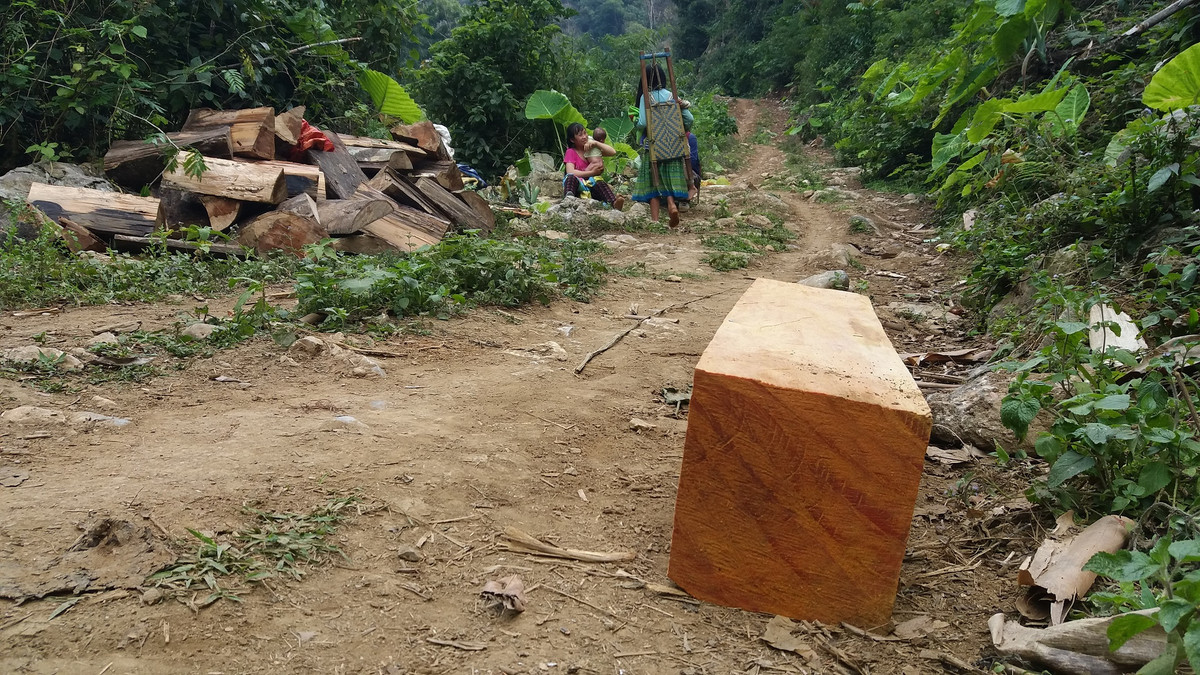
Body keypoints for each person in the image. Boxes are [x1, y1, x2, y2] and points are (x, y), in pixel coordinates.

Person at [633, 64, 693, 227]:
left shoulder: (646, 97)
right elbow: (689, 119)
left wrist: (635, 121)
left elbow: (643, 123)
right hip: (673, 146)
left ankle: (655, 221)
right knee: (667, 178)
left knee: (654, 182)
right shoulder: (671, 96)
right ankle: (672, 205)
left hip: (653, 146)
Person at [563, 122, 624, 209]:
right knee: (571, 178)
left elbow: (612, 152)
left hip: (591, 188)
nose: (584, 136)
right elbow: (570, 172)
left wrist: (596, 143)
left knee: (598, 181)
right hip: (577, 188)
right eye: (580, 135)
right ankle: (568, 200)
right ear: (572, 140)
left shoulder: (591, 149)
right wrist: (591, 172)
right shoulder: (571, 152)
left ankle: (614, 203)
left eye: (585, 133)